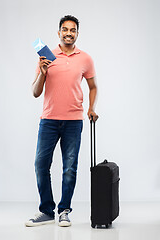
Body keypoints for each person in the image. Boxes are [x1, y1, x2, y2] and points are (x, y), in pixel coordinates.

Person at [25, 15, 98, 227]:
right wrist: (43, 73)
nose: (68, 33)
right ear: (59, 33)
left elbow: (93, 87)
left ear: (77, 33)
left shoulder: (85, 59)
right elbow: (35, 92)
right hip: (48, 120)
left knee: (69, 168)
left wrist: (91, 108)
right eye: (65, 29)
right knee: (41, 165)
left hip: (74, 122)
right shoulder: (46, 56)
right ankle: (47, 211)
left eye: (72, 30)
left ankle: (64, 210)